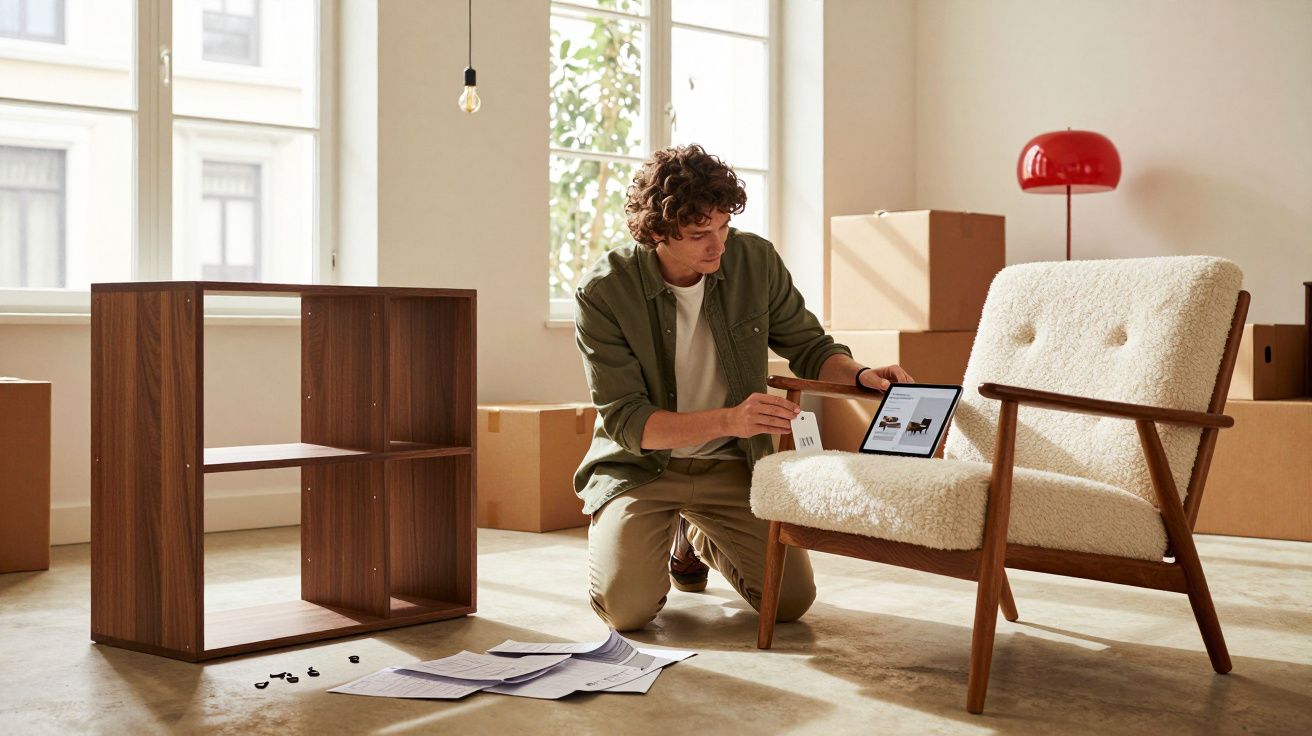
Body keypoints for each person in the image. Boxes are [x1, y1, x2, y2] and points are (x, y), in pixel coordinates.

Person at [573, 144, 913, 632]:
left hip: (733, 463)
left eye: (723, 226)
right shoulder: (604, 293)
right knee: (626, 612)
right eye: (698, 234)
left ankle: (691, 533)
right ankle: (663, 528)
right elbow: (628, 422)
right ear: (654, 233)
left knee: (790, 602)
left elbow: (811, 346)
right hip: (644, 469)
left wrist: (861, 375)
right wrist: (731, 418)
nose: (718, 245)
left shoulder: (754, 260)